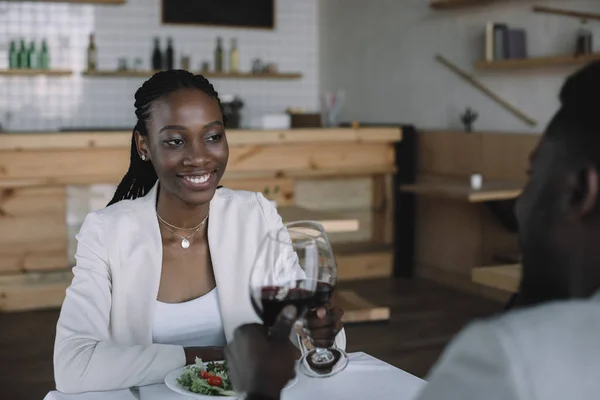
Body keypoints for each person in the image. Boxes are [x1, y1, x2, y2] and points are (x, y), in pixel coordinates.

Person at [225, 60, 600, 400]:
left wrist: (263, 388)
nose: (520, 203)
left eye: (532, 177)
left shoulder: (512, 357)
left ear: (582, 191)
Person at [53, 70, 345, 394]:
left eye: (212, 137)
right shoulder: (106, 234)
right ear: (144, 146)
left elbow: (302, 332)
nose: (199, 157)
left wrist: (319, 330)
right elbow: (72, 366)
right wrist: (209, 358)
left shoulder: (255, 216)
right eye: (176, 141)